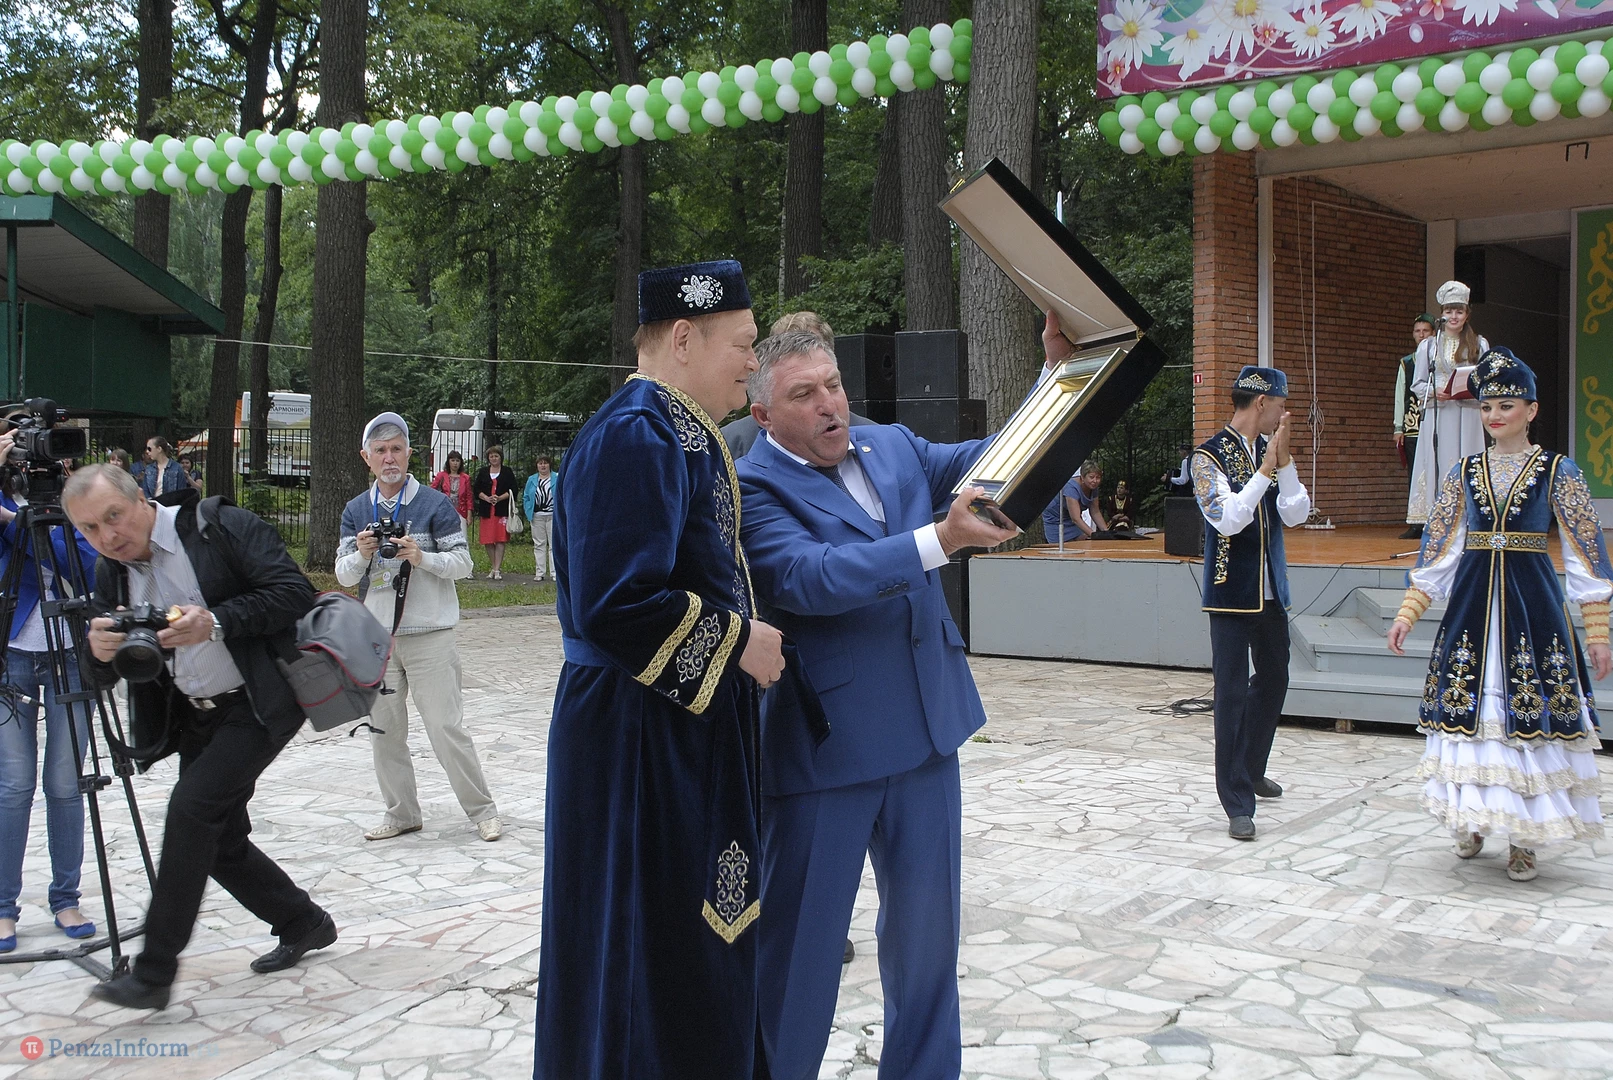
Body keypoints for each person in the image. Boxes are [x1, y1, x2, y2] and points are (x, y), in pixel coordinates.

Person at [738, 329, 1020, 1080]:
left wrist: (1061, 381)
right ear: (763, 415)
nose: (829, 404)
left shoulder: (891, 445)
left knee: (927, 953)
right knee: (798, 965)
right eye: (803, 394)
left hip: (927, 732)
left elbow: (997, 460)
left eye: (832, 385)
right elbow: (811, 577)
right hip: (827, 752)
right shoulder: (751, 486)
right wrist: (937, 541)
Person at [534, 259, 785, 1080]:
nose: (753, 362)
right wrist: (738, 643)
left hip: (668, 730)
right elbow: (614, 604)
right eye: (742, 344)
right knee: (646, 949)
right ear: (683, 338)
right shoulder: (636, 434)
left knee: (681, 942)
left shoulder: (671, 428)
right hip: (636, 743)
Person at [64, 464, 335, 1010]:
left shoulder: (218, 527)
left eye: (113, 516)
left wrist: (214, 621)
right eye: (90, 528)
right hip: (195, 713)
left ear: (140, 499)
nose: (108, 536)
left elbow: (294, 594)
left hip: (260, 701)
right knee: (218, 841)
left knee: (191, 811)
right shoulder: (111, 572)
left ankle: (152, 975)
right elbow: (106, 673)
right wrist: (96, 653)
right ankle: (302, 920)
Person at [1388, 349, 1610, 882]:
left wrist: (1598, 630)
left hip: (1533, 609)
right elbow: (1440, 548)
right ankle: (1473, 818)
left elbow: (1585, 553)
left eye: (1506, 406)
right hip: (1472, 607)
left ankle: (1523, 837)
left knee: (1525, 719)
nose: (1494, 415)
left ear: (1531, 410)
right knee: (1472, 721)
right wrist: (1408, 612)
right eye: (1487, 406)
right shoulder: (1464, 472)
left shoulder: (1559, 470)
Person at [335, 413, 500, 844]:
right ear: (366, 457)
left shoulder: (435, 504)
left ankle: (482, 811)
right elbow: (344, 575)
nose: (389, 458)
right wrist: (361, 554)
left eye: (396, 449)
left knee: (446, 728)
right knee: (384, 733)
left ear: (410, 454)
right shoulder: (356, 510)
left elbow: (463, 564)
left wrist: (421, 557)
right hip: (378, 638)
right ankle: (401, 813)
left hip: (430, 633)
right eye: (380, 451)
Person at [1192, 366, 1312, 841]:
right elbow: (1228, 519)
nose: (1284, 415)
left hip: (1270, 591)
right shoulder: (1208, 457)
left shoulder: (1270, 450)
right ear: (1262, 403)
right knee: (1231, 693)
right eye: (1281, 405)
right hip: (1230, 593)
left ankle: (1251, 766)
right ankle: (1236, 800)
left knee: (1276, 677)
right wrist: (1265, 472)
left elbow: (1296, 514)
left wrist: (1285, 464)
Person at [0, 430, 98, 952]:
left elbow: (86, 566)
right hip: (12, 654)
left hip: (69, 655)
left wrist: (13, 523)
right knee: (13, 786)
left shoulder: (68, 504)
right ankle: (2, 907)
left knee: (65, 783)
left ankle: (66, 898)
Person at [721, 310, 879, 459]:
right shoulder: (729, 444)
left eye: (812, 347)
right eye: (803, 394)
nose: (828, 406)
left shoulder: (879, 443)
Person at [1408, 282, 1488, 533]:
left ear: (1467, 314)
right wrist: (1435, 391)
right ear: (1442, 314)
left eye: (1459, 311)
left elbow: (1487, 381)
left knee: (1468, 461)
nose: (1454, 316)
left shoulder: (1479, 343)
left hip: (1468, 413)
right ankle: (1438, 514)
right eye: (1449, 311)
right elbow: (1417, 384)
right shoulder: (1429, 346)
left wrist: (1469, 388)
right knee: (1438, 461)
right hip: (1439, 414)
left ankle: (1469, 515)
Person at [1396, 314, 1436, 538]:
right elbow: (1400, 394)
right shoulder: (1407, 363)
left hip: (1437, 424)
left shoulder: (1439, 359)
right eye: (1417, 331)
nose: (1421, 335)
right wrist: (1398, 427)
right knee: (1415, 475)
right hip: (1413, 426)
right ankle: (1416, 522)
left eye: (1425, 331)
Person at [472, 446, 517, 579]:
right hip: (487, 510)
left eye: (496, 456)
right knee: (488, 540)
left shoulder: (507, 471)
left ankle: (497, 569)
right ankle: (493, 566)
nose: (494, 458)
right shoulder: (483, 472)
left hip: (501, 510)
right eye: (491, 456)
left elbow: (513, 489)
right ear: (488, 458)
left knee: (500, 539)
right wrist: (486, 498)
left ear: (500, 457)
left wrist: (499, 498)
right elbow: (476, 489)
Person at [1042, 460, 1108, 543]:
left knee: (1083, 541)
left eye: (1098, 478)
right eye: (1091, 477)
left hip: (1071, 518)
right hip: (1056, 518)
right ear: (1082, 477)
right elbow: (1075, 518)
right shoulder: (1071, 488)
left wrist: (1106, 533)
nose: (1095, 481)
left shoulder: (1093, 487)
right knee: (1060, 546)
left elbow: (1095, 512)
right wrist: (1094, 535)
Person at [522, 455, 559, 582]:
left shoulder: (557, 477)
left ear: (549, 465)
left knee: (554, 545)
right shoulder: (531, 479)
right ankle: (540, 572)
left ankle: (555, 573)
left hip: (553, 515)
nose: (543, 466)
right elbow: (526, 496)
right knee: (539, 544)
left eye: (545, 463)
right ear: (537, 465)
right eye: (540, 463)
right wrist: (528, 509)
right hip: (537, 516)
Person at [431, 450, 475, 527]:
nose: (455, 463)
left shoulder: (466, 478)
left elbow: (469, 497)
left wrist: (469, 515)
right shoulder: (441, 476)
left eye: (457, 461)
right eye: (453, 460)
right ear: (448, 462)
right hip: (444, 511)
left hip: (461, 512)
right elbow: (432, 491)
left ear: (460, 463)